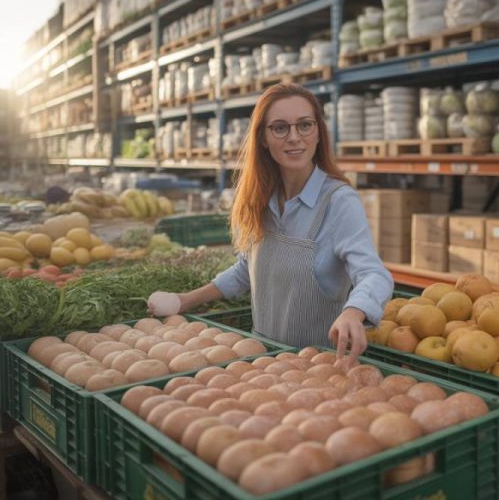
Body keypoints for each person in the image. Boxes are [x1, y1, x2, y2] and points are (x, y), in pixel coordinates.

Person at [148, 83, 393, 363]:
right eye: (280, 128)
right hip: (263, 362)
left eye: (305, 125)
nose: (294, 137)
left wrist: (353, 312)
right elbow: (247, 269)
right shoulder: (263, 198)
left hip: (316, 368)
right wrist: (184, 300)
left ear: (318, 133)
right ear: (263, 138)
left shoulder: (338, 201)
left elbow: (374, 274)